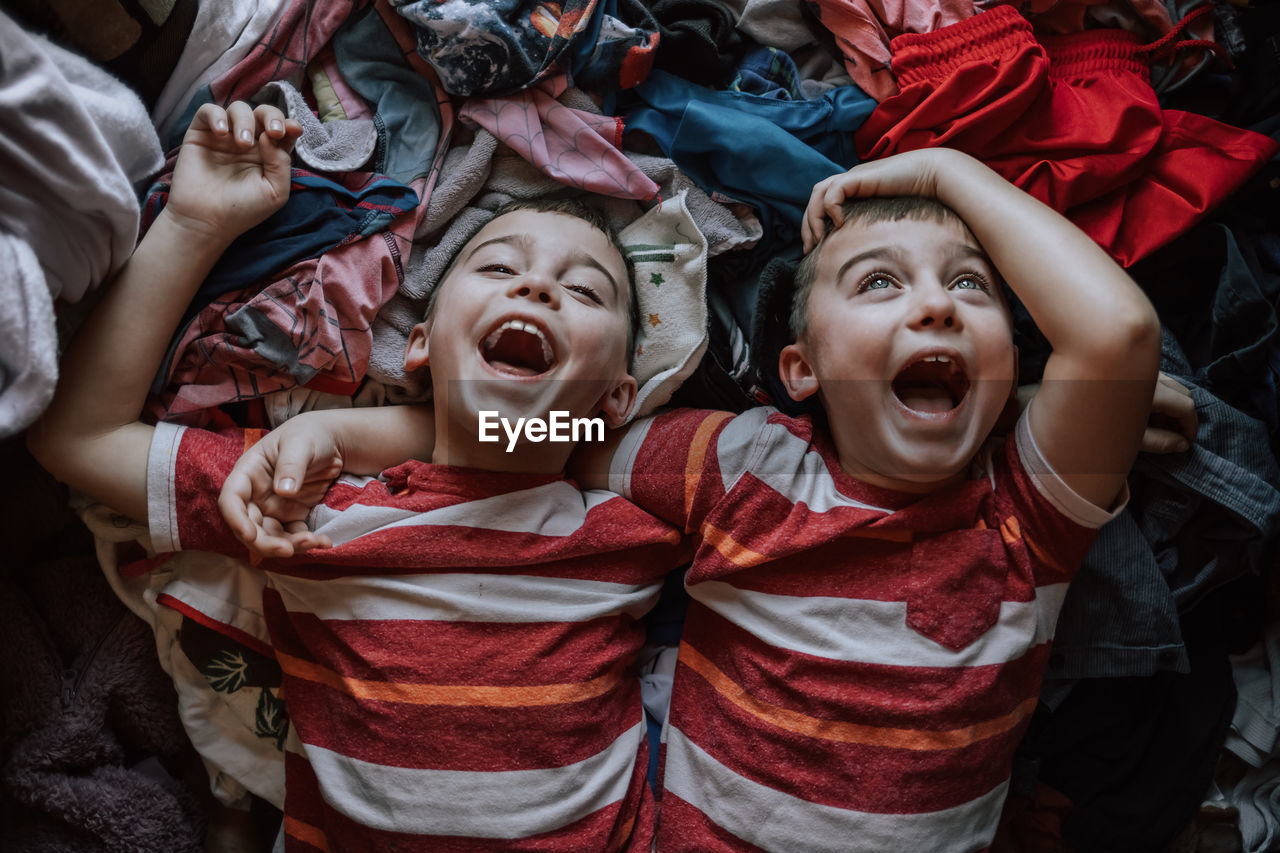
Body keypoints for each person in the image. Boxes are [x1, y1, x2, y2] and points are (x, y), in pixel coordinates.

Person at [220, 148, 1176, 851]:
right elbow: (524, 442)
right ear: (798, 369)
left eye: (972, 289)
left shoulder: (1020, 522)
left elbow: (1120, 332)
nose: (936, 307)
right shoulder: (735, 466)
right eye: (880, 282)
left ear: (1015, 372)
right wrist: (341, 437)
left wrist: (951, 174)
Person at [27, 100, 681, 851]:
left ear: (620, 397)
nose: (535, 287)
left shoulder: (636, 517)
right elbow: (79, 436)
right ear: (420, 345)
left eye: (587, 291)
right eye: (499, 266)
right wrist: (193, 225)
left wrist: (363, 429)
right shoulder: (300, 503)